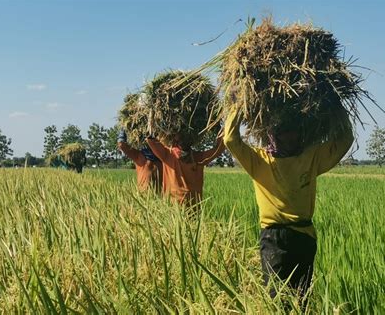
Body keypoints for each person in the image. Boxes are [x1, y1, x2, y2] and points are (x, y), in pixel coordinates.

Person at [223, 107, 354, 307]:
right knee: (276, 300)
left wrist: (337, 108)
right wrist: (238, 107)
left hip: (304, 235)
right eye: (284, 132)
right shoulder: (258, 160)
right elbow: (231, 140)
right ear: (273, 134)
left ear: (301, 134)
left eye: (294, 132)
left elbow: (345, 140)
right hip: (274, 239)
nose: (290, 137)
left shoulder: (311, 158)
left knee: (302, 300)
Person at [146, 133, 225, 218]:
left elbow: (218, 149)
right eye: (180, 135)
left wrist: (223, 131)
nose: (183, 139)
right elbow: (151, 140)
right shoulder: (168, 154)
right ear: (174, 138)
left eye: (185, 135)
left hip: (193, 211)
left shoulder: (197, 157)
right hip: (172, 211)